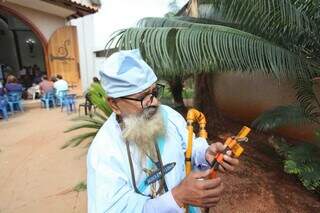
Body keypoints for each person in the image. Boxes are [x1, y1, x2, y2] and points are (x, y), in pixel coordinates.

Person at [87, 49, 239, 212]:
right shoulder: (103, 152)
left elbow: (188, 147)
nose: (154, 102)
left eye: (154, 92)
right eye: (142, 98)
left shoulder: (169, 116)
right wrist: (177, 197)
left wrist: (204, 154)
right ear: (115, 105)